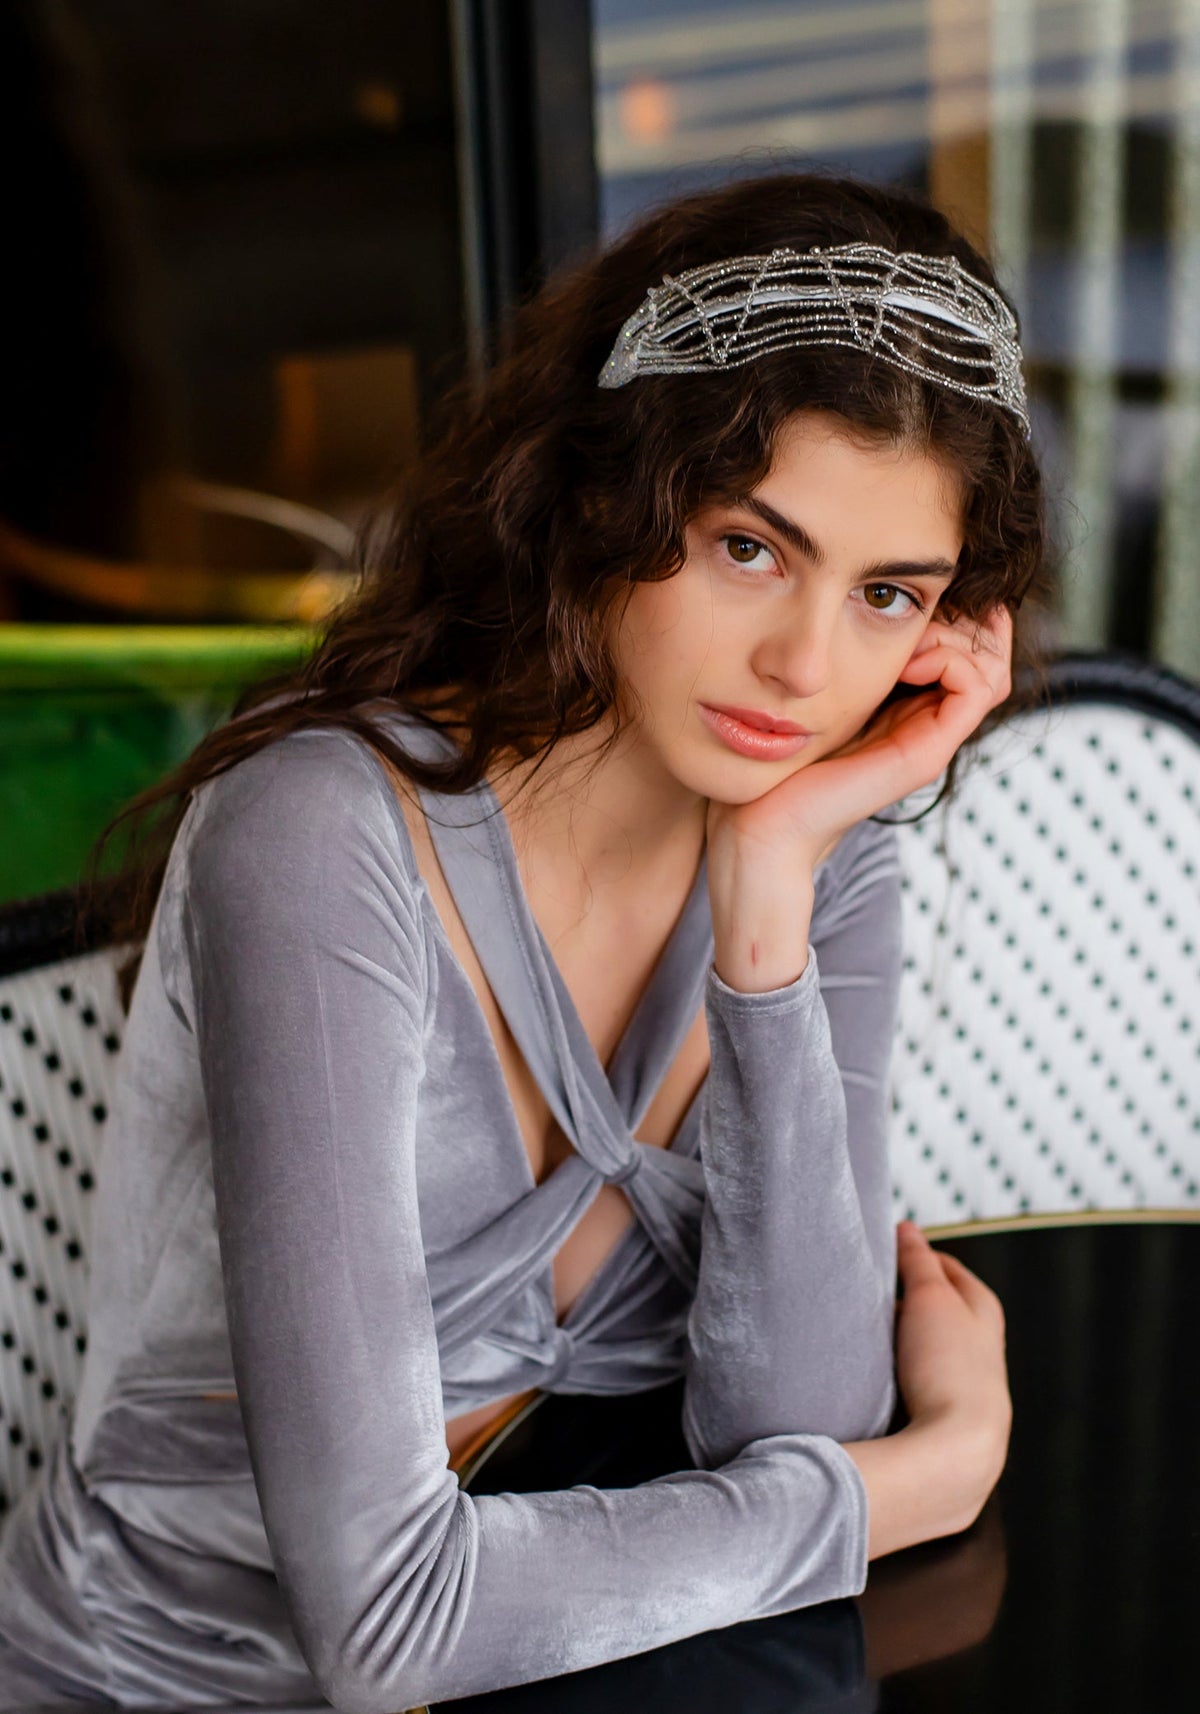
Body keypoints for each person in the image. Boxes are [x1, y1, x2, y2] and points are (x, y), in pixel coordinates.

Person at [0, 171, 1044, 1710]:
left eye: (889, 593)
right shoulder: (324, 835)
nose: (806, 663)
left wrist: (765, 909)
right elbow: (386, 1622)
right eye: (750, 546)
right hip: (165, 1681)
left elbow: (794, 1409)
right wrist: (921, 1478)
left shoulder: (816, 848)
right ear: (609, 490)